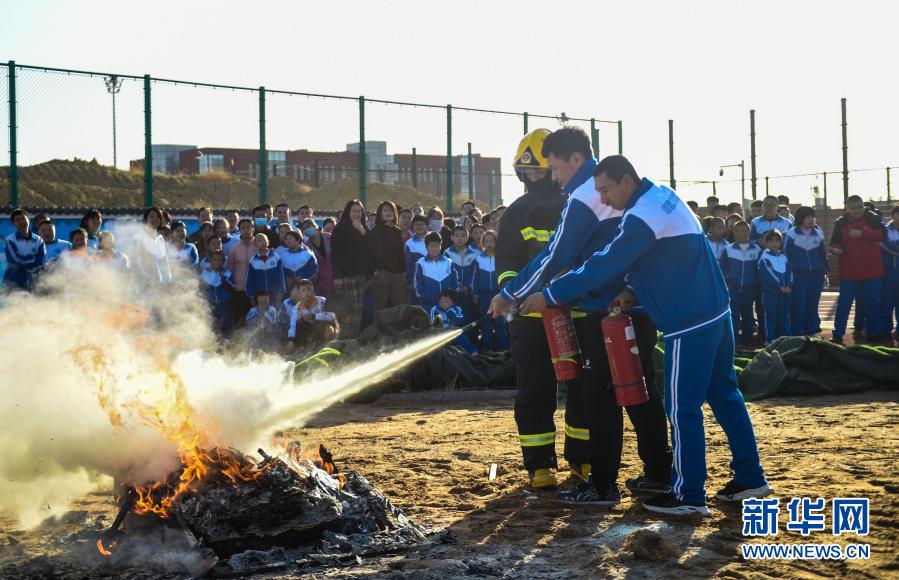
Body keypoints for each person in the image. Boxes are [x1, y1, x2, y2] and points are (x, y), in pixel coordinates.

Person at [519, 155, 770, 516]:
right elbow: (668, 255)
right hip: (716, 311)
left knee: (681, 407)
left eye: (606, 190)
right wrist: (633, 291)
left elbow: (603, 264)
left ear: (625, 181)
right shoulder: (663, 197)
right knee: (725, 394)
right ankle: (751, 478)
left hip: (689, 321)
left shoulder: (641, 215)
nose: (603, 199)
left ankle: (689, 495)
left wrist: (550, 295)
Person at [489, 129, 670, 503]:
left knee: (600, 395)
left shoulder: (586, 194)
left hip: (600, 311)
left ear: (573, 160)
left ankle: (602, 484)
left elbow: (556, 256)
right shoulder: (630, 192)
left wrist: (510, 294)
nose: (553, 177)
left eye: (554, 168)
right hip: (636, 304)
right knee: (641, 392)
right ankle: (659, 472)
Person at [829, 195, 888, 344]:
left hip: (872, 273)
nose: (857, 211)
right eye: (853, 208)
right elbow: (834, 243)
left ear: (863, 206)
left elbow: (882, 235)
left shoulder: (874, 218)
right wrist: (835, 250)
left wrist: (863, 233)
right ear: (847, 208)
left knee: (872, 305)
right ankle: (837, 335)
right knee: (844, 305)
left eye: (859, 207)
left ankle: (873, 334)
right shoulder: (840, 222)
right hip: (849, 273)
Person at [330, 199, 373, 339]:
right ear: (348, 212)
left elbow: (370, 251)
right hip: (345, 278)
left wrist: (362, 231)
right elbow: (335, 254)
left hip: (361, 277)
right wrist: (337, 276)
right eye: (353, 211)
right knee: (345, 311)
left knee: (358, 312)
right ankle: (342, 339)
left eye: (359, 211)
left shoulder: (365, 229)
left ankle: (354, 340)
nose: (356, 214)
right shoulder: (340, 229)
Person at [783, 206, 828, 336]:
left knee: (813, 304)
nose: (810, 219)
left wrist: (826, 268)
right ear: (800, 218)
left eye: (812, 217)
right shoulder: (792, 232)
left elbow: (822, 252)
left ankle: (811, 332)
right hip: (798, 274)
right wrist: (789, 272)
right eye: (807, 216)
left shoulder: (817, 233)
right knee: (798, 304)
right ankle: (797, 333)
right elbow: (787, 254)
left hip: (816, 274)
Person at [720, 221, 761, 345]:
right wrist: (728, 279)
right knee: (734, 313)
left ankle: (748, 337)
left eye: (744, 230)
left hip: (750, 289)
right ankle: (734, 338)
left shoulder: (757, 249)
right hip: (733, 288)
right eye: (737, 231)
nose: (741, 233)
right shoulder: (728, 249)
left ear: (749, 232)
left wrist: (755, 283)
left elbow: (760, 269)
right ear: (734, 233)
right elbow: (723, 267)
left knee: (748, 313)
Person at [368, 200, 409, 311]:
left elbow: (400, 253)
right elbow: (370, 254)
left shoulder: (397, 231)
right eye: (385, 210)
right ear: (380, 213)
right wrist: (374, 271)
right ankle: (377, 328)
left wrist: (403, 271)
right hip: (381, 275)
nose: (388, 213)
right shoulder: (374, 232)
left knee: (402, 306)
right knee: (380, 308)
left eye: (391, 210)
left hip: (397, 275)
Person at [472, 230, 507, 350]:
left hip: (498, 294)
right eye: (486, 241)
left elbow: (505, 276)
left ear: (496, 242)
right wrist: (475, 293)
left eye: (491, 241)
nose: (488, 243)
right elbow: (475, 277)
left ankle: (504, 351)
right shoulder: (478, 258)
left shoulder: (501, 258)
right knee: (486, 325)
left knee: (500, 325)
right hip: (484, 295)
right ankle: (487, 352)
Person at [283, 278, 337, 352]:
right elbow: (292, 326)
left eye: (309, 290)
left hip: (325, 329)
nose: (307, 293)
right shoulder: (296, 308)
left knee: (324, 325)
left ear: (313, 291)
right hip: (308, 333)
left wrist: (314, 316)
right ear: (299, 293)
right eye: (304, 291)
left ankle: (325, 346)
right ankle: (305, 349)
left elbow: (332, 315)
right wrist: (291, 341)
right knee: (299, 323)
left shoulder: (322, 301)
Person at [758, 230, 792, 342]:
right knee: (770, 317)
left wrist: (789, 286)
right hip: (770, 293)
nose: (774, 243)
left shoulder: (784, 257)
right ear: (766, 243)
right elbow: (769, 274)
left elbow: (789, 273)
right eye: (771, 241)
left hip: (784, 293)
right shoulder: (764, 258)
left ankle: (786, 338)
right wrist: (780, 286)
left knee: (784, 316)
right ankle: (770, 340)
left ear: (781, 242)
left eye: (777, 241)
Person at [413, 231, 458, 312]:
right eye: (432, 246)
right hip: (427, 305)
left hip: (447, 305)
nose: (434, 249)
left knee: (447, 324)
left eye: (437, 246)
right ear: (426, 247)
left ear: (441, 245)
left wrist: (451, 298)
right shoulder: (421, 263)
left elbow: (455, 281)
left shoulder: (449, 262)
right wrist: (424, 297)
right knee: (430, 324)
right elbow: (417, 283)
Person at [4, 209, 46, 291]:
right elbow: (15, 261)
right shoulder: (10, 240)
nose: (21, 221)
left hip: (33, 281)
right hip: (13, 281)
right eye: (17, 220)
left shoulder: (39, 240)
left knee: (32, 303)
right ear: (13, 224)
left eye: (23, 218)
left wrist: (24, 261)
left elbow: (41, 262)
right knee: (14, 303)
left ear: (28, 219)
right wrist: (33, 258)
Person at [227, 218, 258, 327]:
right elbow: (230, 269)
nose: (245, 230)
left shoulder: (259, 246)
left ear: (253, 229)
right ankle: (238, 344)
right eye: (243, 228)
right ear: (239, 230)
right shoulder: (233, 249)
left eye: (248, 227)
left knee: (255, 320)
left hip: (255, 290)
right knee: (240, 319)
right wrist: (233, 286)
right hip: (239, 290)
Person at [131, 207, 172, 290]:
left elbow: (165, 262)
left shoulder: (160, 239)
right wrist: (148, 279)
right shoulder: (138, 237)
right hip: (142, 285)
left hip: (159, 285)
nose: (155, 219)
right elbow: (135, 262)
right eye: (152, 216)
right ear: (146, 219)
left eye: (158, 217)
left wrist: (168, 280)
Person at [444, 225, 479, 320]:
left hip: (467, 292)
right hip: (453, 291)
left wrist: (467, 286)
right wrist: (456, 287)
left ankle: (468, 334)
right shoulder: (447, 253)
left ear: (467, 238)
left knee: (467, 314)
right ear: (452, 237)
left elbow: (474, 273)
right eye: (457, 235)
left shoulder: (472, 254)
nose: (460, 238)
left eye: (463, 236)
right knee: (453, 314)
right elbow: (447, 272)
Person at [429, 288, 476, 354]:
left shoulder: (457, 309)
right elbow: (434, 325)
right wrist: (448, 329)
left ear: (453, 303)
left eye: (447, 300)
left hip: (454, 333)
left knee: (460, 335)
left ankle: (473, 354)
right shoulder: (434, 309)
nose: (443, 302)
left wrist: (448, 310)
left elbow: (458, 321)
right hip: (441, 334)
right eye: (442, 299)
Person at [246, 233, 286, 306]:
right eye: (259, 240)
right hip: (259, 295)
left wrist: (281, 292)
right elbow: (250, 279)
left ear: (268, 242)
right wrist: (251, 296)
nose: (263, 242)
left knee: (274, 313)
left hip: (274, 294)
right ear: (255, 244)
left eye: (265, 240)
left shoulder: (276, 257)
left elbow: (281, 275)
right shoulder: (253, 260)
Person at [200, 251, 234, 337]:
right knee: (211, 324)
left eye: (219, 260)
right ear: (210, 260)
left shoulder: (227, 273)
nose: (216, 262)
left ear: (223, 262)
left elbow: (233, 286)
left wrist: (224, 279)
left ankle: (225, 344)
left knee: (224, 325)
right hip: (210, 304)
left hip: (224, 304)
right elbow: (201, 289)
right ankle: (213, 344)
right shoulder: (205, 273)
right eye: (214, 259)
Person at [301, 218, 334, 296]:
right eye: (304, 228)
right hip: (320, 282)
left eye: (308, 226)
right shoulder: (306, 246)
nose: (307, 229)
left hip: (335, 277)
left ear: (315, 226)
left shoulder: (328, 236)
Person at [881, 205, 899, 339]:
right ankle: (886, 330)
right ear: (893, 215)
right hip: (888, 271)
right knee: (887, 302)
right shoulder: (885, 230)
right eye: (897, 214)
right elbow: (885, 245)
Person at [404, 215, 429, 288]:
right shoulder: (409, 243)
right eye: (416, 224)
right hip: (416, 281)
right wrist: (409, 281)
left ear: (427, 226)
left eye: (422, 224)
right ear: (412, 227)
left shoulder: (433, 239)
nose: (419, 226)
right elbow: (409, 264)